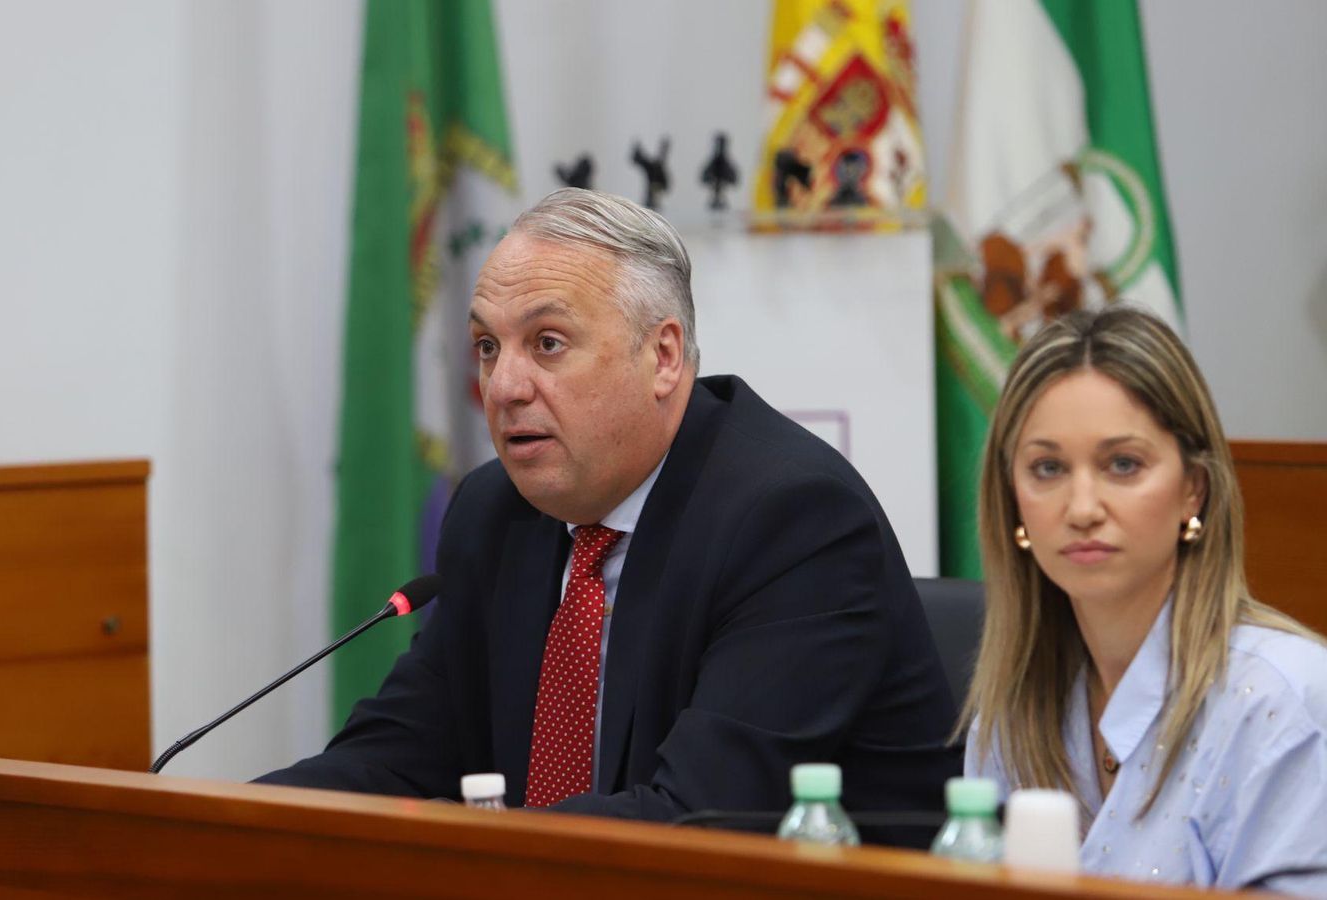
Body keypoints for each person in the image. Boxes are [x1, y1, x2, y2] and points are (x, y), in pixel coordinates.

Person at [259, 188, 959, 841]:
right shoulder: (494, 513)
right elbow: (401, 753)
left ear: (662, 356)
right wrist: (234, 823)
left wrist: (470, 858)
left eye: (548, 344)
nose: (502, 387)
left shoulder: (792, 522)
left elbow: (696, 821)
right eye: (486, 347)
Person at [963, 306, 1327, 892]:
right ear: (1012, 501)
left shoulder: (1282, 703)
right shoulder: (1009, 717)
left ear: (1193, 490)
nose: (1082, 509)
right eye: (1048, 468)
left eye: (1122, 465)